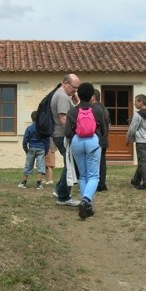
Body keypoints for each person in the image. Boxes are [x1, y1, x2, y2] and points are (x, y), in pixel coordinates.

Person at [65, 82, 109, 219]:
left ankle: (87, 206)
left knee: (83, 176)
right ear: (92, 96)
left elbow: (67, 131)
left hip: (77, 142)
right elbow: (104, 129)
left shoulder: (72, 111)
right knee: (94, 176)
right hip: (93, 142)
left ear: (78, 95)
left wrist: (75, 137)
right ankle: (86, 201)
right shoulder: (97, 110)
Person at [51, 73, 81, 207]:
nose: (75, 90)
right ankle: (63, 196)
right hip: (63, 135)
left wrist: (74, 99)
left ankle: (59, 191)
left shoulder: (61, 94)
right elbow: (64, 120)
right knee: (70, 165)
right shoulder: (62, 97)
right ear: (65, 83)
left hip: (59, 135)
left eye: (77, 88)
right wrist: (75, 133)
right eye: (74, 88)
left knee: (68, 164)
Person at [126, 94, 146, 190]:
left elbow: (132, 128)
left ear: (141, 102)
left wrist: (128, 138)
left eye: (136, 101)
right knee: (143, 161)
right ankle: (136, 180)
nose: (134, 103)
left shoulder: (137, 114)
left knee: (142, 163)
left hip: (141, 141)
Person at [20, 111, 49, 189]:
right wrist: (46, 150)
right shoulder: (43, 129)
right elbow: (47, 140)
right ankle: (39, 183)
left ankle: (24, 183)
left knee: (28, 165)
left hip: (32, 147)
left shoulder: (29, 128)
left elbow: (25, 140)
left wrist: (26, 149)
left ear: (32, 119)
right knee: (40, 165)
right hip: (41, 148)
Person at [91, 89, 111, 192]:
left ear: (93, 97)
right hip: (104, 138)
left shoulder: (94, 109)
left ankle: (96, 184)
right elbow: (109, 124)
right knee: (102, 162)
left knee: (94, 162)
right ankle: (102, 184)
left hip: (96, 138)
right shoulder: (105, 108)